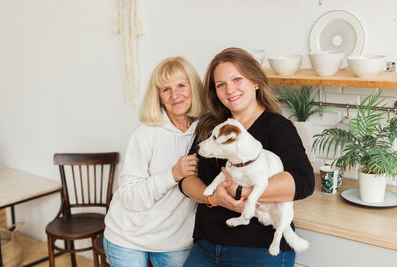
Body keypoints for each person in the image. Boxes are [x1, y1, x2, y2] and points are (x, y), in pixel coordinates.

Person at [179, 47, 315, 267]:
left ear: (255, 81)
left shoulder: (278, 128)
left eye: (236, 79)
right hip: (206, 245)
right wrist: (214, 198)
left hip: (259, 250)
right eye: (220, 84)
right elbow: (186, 179)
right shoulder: (210, 127)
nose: (229, 89)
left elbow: (304, 182)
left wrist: (240, 191)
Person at [103, 56, 203, 267]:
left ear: (193, 87)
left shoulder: (206, 131)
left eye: (181, 85)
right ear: (158, 96)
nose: (175, 95)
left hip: (176, 241)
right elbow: (129, 196)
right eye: (165, 89)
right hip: (129, 237)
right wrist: (172, 175)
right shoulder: (146, 134)